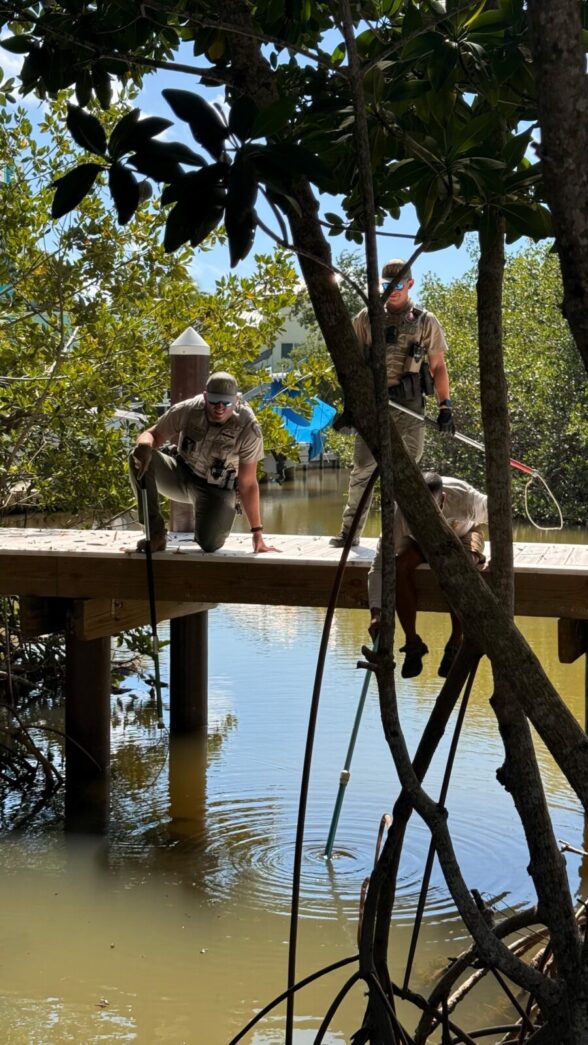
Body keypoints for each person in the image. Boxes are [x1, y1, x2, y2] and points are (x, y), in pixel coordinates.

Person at [330, 259, 454, 548]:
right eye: (385, 285)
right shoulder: (366, 317)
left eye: (397, 285)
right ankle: (350, 534)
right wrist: (354, 404)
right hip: (374, 408)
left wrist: (445, 407)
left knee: (408, 475)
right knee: (362, 468)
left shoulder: (425, 321)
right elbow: (350, 365)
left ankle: (405, 536)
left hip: (409, 408)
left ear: (409, 284)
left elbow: (438, 367)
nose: (391, 291)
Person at [129, 371, 277, 554]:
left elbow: (248, 484)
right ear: (205, 396)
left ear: (237, 399)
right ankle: (156, 533)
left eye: (226, 402)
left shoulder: (248, 427)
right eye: (214, 401)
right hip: (181, 475)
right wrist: (144, 445)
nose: (219, 407)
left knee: (209, 544)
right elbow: (151, 434)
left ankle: (212, 520)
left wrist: (257, 533)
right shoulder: (189, 409)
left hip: (216, 489)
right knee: (138, 456)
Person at [367, 473, 488, 679]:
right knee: (399, 567)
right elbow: (380, 567)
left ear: (443, 499)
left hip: (463, 535)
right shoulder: (400, 515)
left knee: (462, 566)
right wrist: (376, 613)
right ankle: (413, 643)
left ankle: (455, 643)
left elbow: (500, 513)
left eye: (430, 509)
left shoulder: (465, 498)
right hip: (422, 541)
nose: (425, 516)